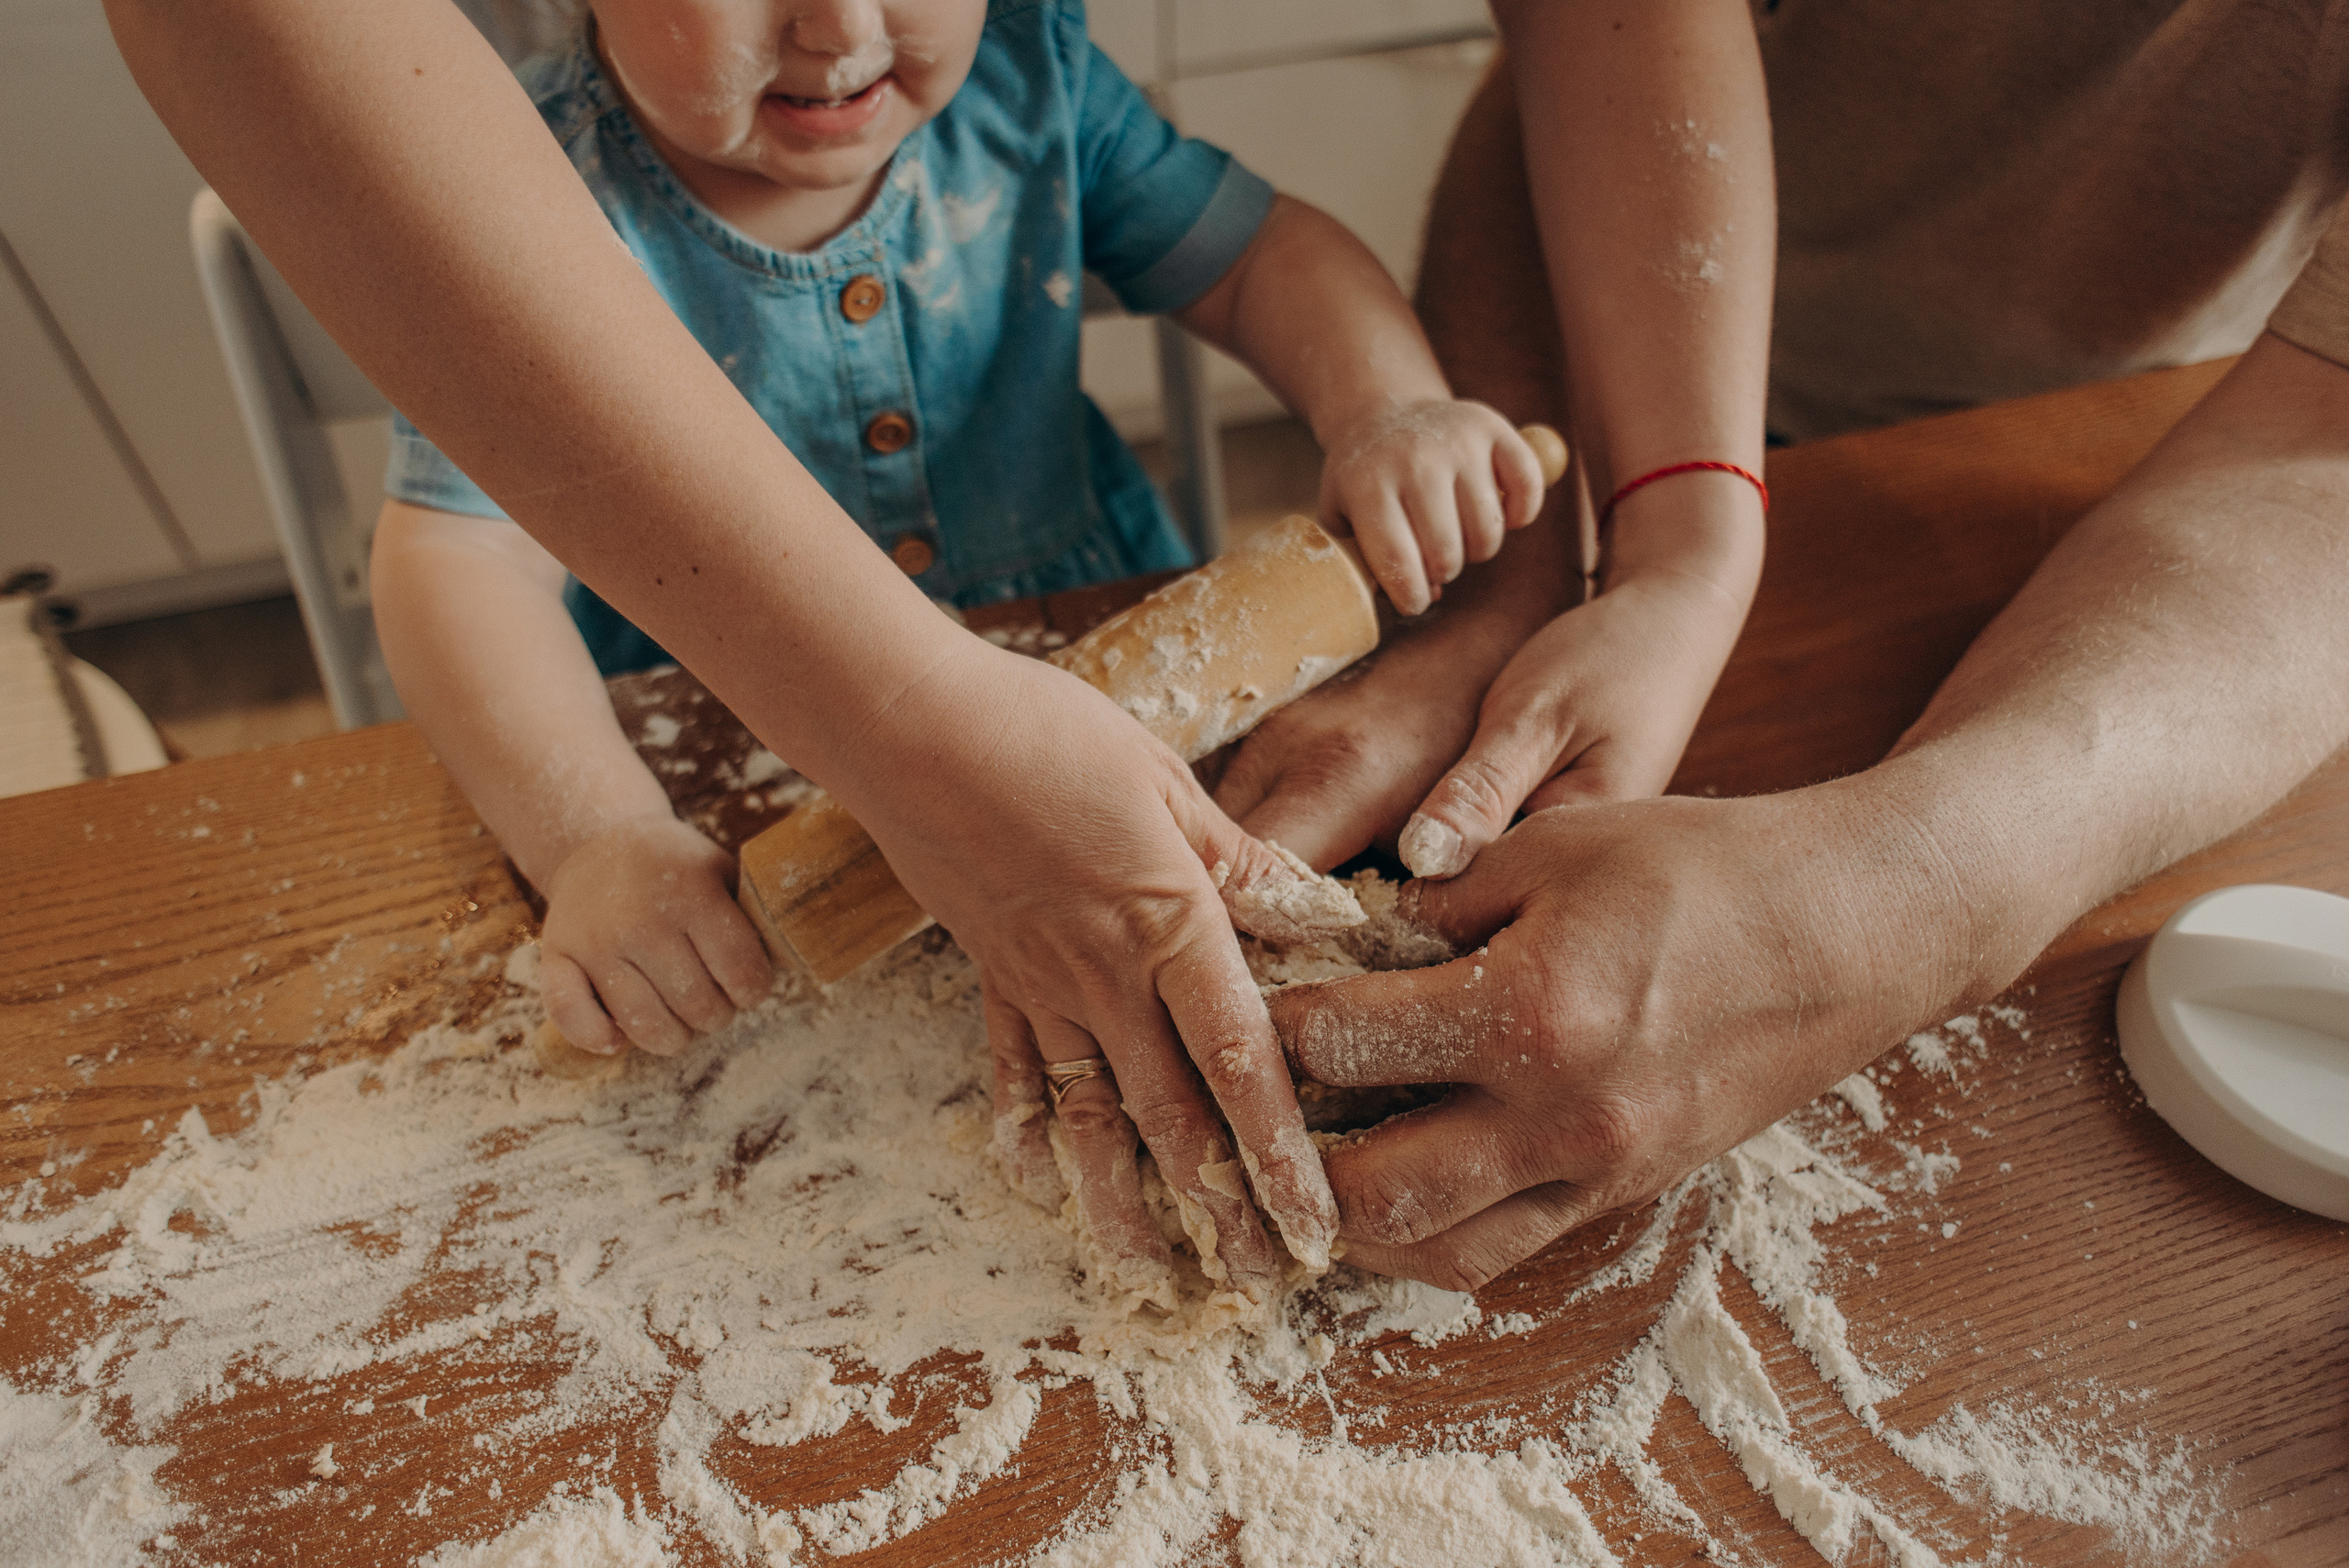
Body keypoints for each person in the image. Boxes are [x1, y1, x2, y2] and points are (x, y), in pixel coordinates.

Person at [1216, 0, 2349, 1289]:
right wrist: (1538, 568)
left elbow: (2324, 448)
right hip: (1594, 302)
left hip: (2112, 445)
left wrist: (1906, 889)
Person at [364, 0, 1552, 1087]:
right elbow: (460, 562)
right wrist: (594, 833)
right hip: (736, 788)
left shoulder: (1031, 81)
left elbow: (1263, 258)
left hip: (1114, 689)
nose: (838, 28)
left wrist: (1388, 405)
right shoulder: (523, 197)